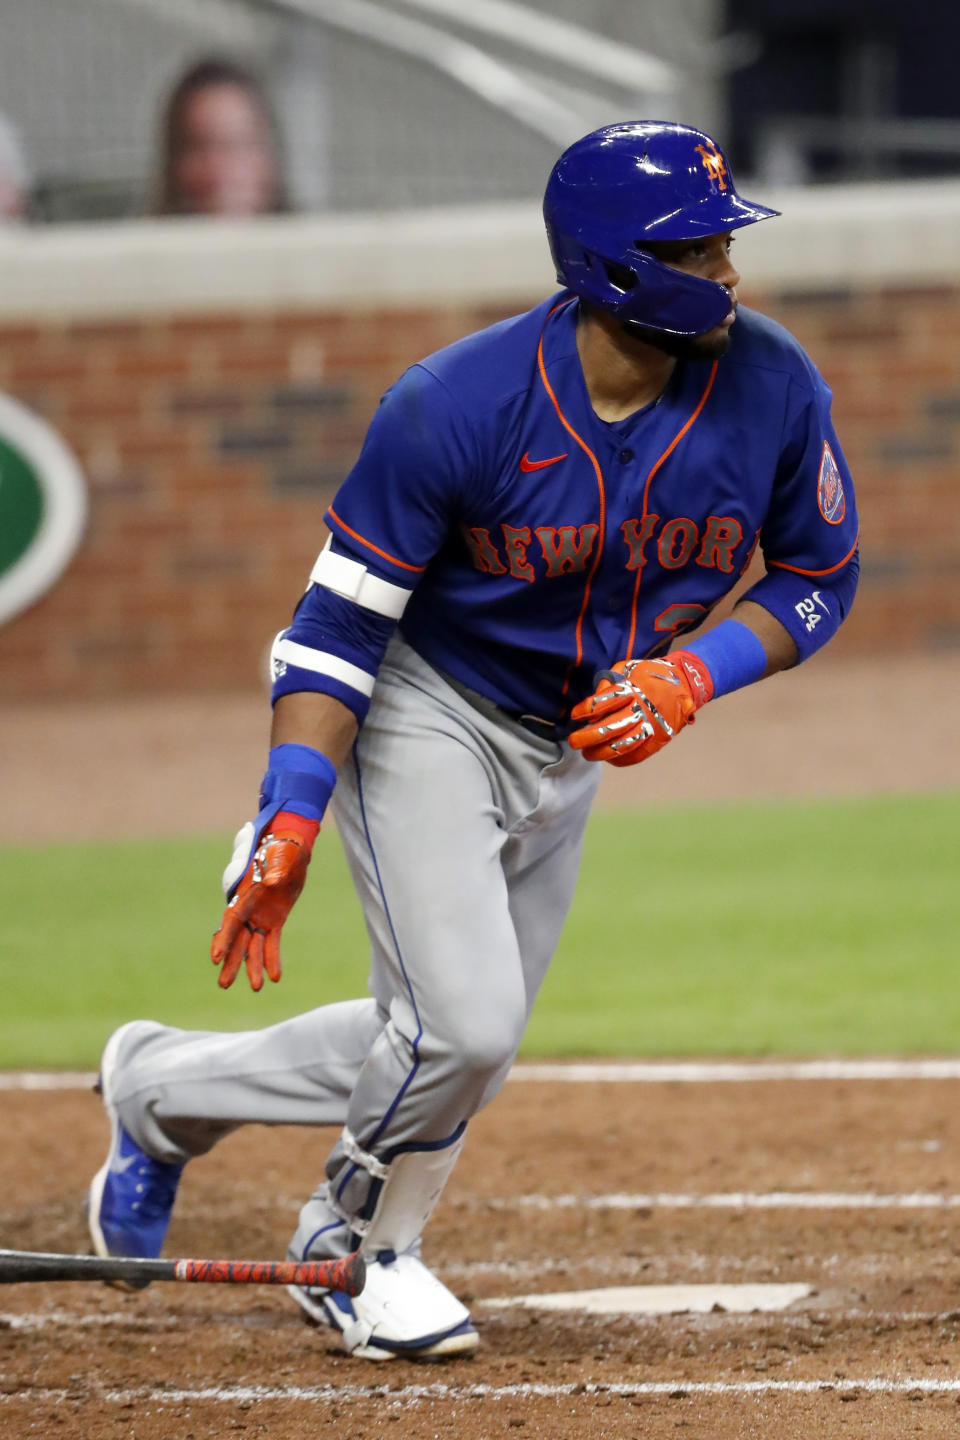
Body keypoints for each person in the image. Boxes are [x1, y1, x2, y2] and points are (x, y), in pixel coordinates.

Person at [87, 121, 859, 1361]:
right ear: (611, 267)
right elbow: (335, 627)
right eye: (697, 246)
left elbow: (823, 574)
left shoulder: (772, 384)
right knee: (470, 1028)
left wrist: (694, 674)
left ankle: (159, 1092)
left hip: (575, 742)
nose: (728, 270)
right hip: (427, 708)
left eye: (725, 242)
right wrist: (290, 805)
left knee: (449, 1039)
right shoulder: (457, 405)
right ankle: (345, 1251)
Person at [150, 57, 288, 217]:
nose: (217, 169)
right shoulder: (138, 239)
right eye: (198, 148)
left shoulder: (315, 235)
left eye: (233, 146)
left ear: (269, 157)